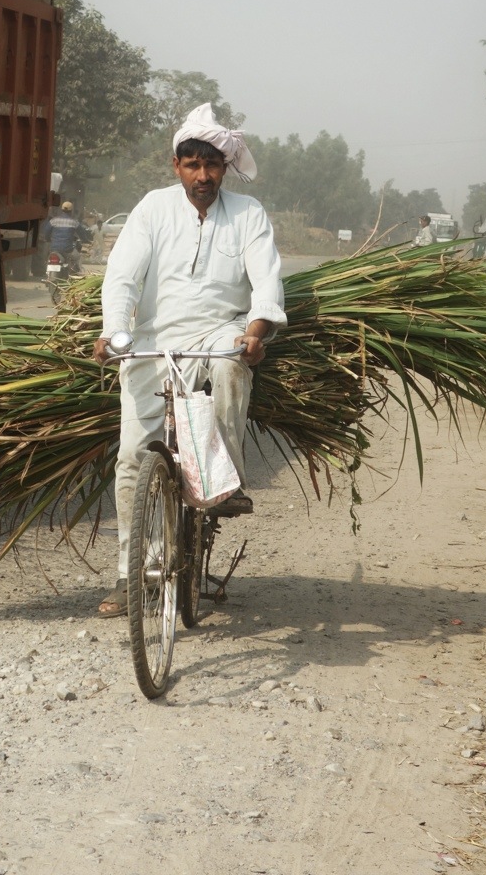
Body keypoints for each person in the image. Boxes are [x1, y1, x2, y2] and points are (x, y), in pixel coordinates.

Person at [92, 103, 287, 617]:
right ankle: (131, 574)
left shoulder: (248, 214)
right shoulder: (152, 209)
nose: (203, 176)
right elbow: (122, 277)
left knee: (230, 365)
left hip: (219, 334)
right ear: (176, 166)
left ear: (225, 168)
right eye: (193, 164)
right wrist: (114, 332)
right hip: (154, 340)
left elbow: (267, 284)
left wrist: (254, 333)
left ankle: (225, 481)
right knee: (133, 458)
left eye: (212, 165)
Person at [42, 201, 90, 274]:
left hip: (54, 249)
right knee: (78, 257)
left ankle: (47, 271)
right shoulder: (74, 222)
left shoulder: (53, 221)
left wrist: (47, 239)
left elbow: (46, 232)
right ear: (71, 211)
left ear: (61, 210)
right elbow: (81, 233)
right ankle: (75, 273)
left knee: (46, 258)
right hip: (68, 249)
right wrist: (85, 240)